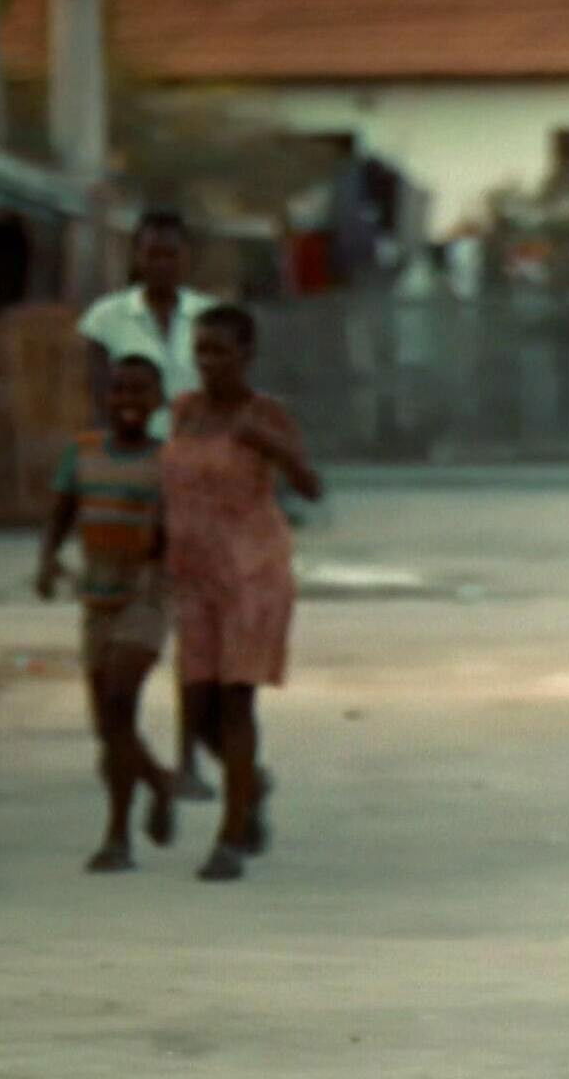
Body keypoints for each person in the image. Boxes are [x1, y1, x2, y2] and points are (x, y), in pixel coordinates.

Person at [163, 305, 323, 882]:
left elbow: (312, 486)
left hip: (251, 574)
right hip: (193, 574)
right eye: (200, 351)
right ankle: (250, 783)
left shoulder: (266, 415)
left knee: (235, 699)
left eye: (220, 351)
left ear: (246, 355)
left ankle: (231, 837)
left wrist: (274, 448)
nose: (208, 363)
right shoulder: (184, 412)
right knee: (198, 699)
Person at [77, 208, 218, 800]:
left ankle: (188, 761)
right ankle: (122, 748)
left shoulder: (208, 317)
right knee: (119, 625)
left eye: (171, 252)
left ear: (187, 258)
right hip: (131, 478)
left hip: (195, 478)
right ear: (136, 256)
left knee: (194, 627)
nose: (161, 262)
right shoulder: (107, 319)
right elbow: (94, 401)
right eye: (151, 252)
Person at [36, 355, 177, 872]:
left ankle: (117, 836)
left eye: (140, 391)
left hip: (147, 594)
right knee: (107, 725)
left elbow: (184, 529)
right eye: (120, 390)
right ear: (106, 397)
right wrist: (47, 560)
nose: (129, 401)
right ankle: (158, 782)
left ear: (158, 400)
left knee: (120, 702)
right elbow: (62, 512)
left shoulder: (170, 461)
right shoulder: (83, 452)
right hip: (96, 594)